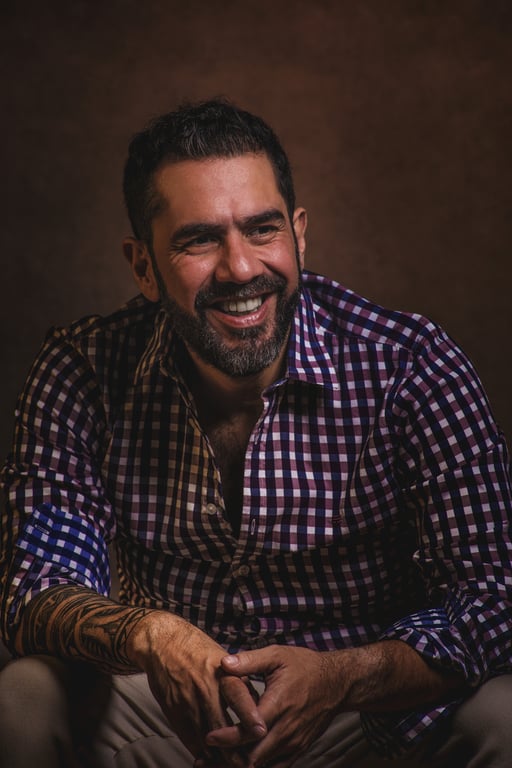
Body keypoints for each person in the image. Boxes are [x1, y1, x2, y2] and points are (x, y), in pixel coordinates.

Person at [0, 99, 511, 768]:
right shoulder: (85, 370)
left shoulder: (410, 365)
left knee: (504, 715)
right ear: (143, 265)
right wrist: (152, 635)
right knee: (22, 697)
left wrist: (343, 676)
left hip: (369, 709)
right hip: (169, 704)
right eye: (199, 239)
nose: (240, 269)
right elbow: (35, 589)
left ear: (298, 234)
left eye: (262, 229)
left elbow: (494, 598)